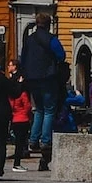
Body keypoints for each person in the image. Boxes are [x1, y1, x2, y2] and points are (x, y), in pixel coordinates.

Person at [20, 14, 66, 172]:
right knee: (49, 110)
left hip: (32, 78)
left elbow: (23, 58)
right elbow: (61, 55)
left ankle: (33, 139)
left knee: (38, 109)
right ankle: (45, 140)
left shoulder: (29, 39)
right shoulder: (51, 39)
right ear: (48, 24)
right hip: (47, 77)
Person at [6, 61, 33, 170]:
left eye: (10, 65)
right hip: (22, 117)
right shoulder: (21, 94)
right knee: (20, 141)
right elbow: (27, 106)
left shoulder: (12, 95)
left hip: (15, 116)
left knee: (18, 140)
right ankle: (17, 163)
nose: (8, 67)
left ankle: (19, 158)